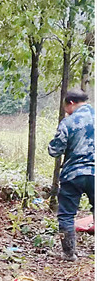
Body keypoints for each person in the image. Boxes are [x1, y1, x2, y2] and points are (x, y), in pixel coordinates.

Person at [48, 88, 95, 261]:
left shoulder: (68, 123)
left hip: (73, 174)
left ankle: (69, 254)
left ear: (71, 103)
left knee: (67, 214)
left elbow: (55, 150)